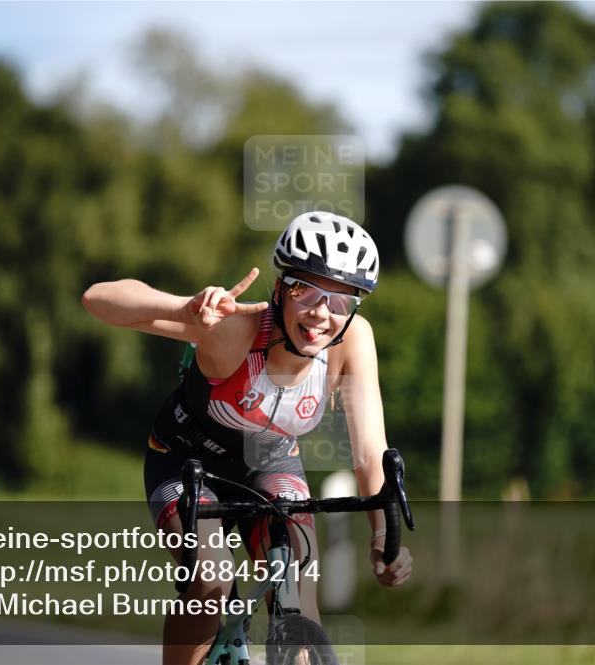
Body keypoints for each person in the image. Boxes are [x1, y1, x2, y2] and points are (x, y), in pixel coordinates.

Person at [82, 211, 412, 665]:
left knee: (299, 592)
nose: (321, 313)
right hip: (186, 458)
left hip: (271, 461)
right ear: (279, 288)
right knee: (211, 583)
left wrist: (382, 537)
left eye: (340, 301)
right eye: (305, 291)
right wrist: (185, 310)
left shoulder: (354, 340)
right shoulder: (237, 329)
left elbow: (370, 452)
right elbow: (97, 299)